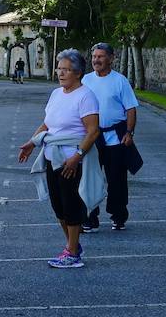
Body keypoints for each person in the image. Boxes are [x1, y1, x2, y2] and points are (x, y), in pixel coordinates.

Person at [18, 48, 104, 268]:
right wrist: (32, 142)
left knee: (71, 205)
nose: (61, 73)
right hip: (52, 157)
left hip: (71, 160)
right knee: (58, 206)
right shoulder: (57, 94)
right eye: (59, 69)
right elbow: (48, 124)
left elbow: (93, 131)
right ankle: (72, 246)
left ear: (77, 73)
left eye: (66, 70)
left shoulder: (85, 96)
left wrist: (77, 156)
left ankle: (73, 252)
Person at [81, 42, 139, 231]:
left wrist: (129, 133)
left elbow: (130, 108)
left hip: (116, 137)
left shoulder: (120, 80)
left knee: (117, 179)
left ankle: (118, 215)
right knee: (90, 178)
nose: (96, 60)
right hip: (92, 137)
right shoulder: (85, 81)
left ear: (111, 58)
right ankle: (90, 216)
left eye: (100, 56)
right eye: (94, 57)